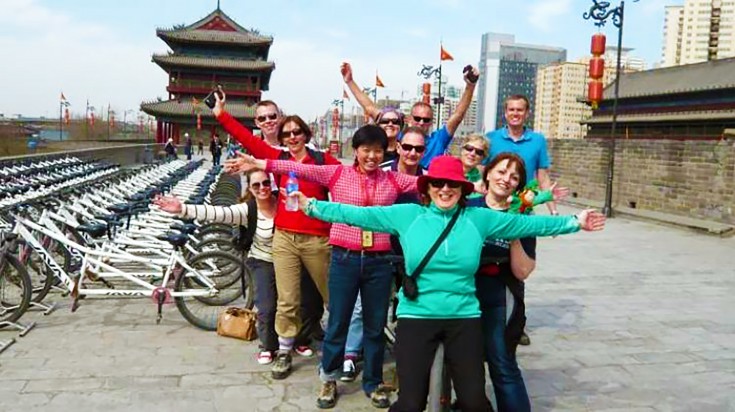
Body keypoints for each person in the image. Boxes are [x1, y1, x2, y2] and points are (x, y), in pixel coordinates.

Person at [288, 155, 605, 412]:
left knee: (474, 401)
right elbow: (358, 214)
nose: (444, 189)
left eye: (452, 184)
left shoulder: (478, 219)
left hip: (464, 317)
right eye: (437, 183)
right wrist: (312, 206)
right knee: (410, 403)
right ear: (427, 188)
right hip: (417, 316)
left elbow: (527, 222)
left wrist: (575, 222)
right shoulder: (408, 214)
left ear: (463, 189)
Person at [229, 125, 419, 409]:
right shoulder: (337, 173)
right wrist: (259, 163)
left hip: (379, 262)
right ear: (355, 151)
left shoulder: (393, 180)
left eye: (378, 151)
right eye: (366, 150)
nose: (372, 156)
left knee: (375, 325)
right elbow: (298, 168)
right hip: (344, 258)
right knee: (338, 321)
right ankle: (329, 377)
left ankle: (373, 382)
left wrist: (475, 180)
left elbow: (432, 184)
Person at [213, 90, 340, 380]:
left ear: (306, 134)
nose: (293, 137)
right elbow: (249, 141)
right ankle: (284, 350)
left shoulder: (323, 160)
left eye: (297, 132)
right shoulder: (276, 158)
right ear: (282, 138)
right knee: (287, 299)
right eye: (288, 134)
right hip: (284, 238)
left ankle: (340, 346)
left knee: (330, 297)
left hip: (317, 239)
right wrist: (222, 115)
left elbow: (346, 186)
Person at [467, 153, 567, 412]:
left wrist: (512, 231)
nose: (506, 179)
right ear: (487, 174)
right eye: (501, 172)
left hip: (500, 294)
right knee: (465, 362)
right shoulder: (469, 207)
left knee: (502, 362)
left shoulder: (523, 217)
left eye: (514, 177)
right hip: (463, 292)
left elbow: (523, 270)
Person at [152, 169, 282, 364]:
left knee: (295, 303)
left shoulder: (285, 204)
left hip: (288, 259)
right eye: (256, 185)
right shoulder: (247, 209)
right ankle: (268, 346)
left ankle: (297, 340)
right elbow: (218, 213)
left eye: (265, 183)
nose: (262, 188)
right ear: (251, 189)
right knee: (267, 306)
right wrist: (183, 209)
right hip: (262, 260)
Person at [483, 94, 559, 346]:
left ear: (527, 113)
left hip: (524, 214)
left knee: (519, 270)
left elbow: (544, 176)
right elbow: (482, 174)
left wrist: (553, 211)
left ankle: (517, 323)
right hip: (495, 213)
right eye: (511, 110)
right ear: (505, 113)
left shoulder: (537, 141)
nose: (515, 114)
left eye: (520, 110)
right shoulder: (492, 139)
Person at [341, 62, 479, 168]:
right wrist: (350, 81)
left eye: (426, 119)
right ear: (409, 119)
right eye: (417, 118)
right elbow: (370, 108)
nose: (421, 122)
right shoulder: (397, 135)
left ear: (431, 122)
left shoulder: (437, 141)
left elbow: (457, 116)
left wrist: (470, 85)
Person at [458, 134, 489, 199]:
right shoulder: (448, 168)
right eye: (469, 148)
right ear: (462, 150)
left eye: (479, 152)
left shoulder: (482, 179)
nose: (472, 154)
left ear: (483, 157)